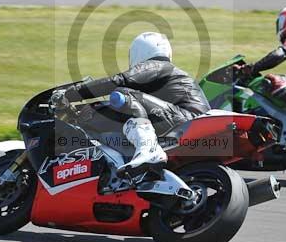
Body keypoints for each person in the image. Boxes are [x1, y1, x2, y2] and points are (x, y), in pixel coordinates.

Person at [50, 32, 210, 174]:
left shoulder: (157, 65)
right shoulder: (167, 74)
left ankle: (148, 149)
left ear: (139, 51)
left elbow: (119, 81)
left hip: (187, 121)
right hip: (189, 123)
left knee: (123, 94)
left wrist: (70, 93)